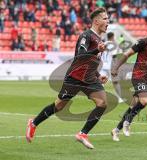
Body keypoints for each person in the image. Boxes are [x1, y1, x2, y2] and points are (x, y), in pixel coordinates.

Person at [26, 7, 109, 149]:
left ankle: (82, 134)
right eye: (105, 18)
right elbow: (81, 56)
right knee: (58, 106)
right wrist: (97, 50)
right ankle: (33, 123)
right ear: (96, 21)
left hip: (89, 79)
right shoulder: (86, 35)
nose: (108, 21)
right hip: (75, 77)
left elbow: (89, 62)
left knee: (102, 103)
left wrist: (98, 75)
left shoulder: (99, 39)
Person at [100, 32, 124, 103]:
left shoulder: (104, 43)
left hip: (103, 66)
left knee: (101, 83)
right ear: (113, 37)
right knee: (115, 82)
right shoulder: (113, 44)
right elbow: (114, 56)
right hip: (110, 66)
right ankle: (119, 98)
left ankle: (101, 98)